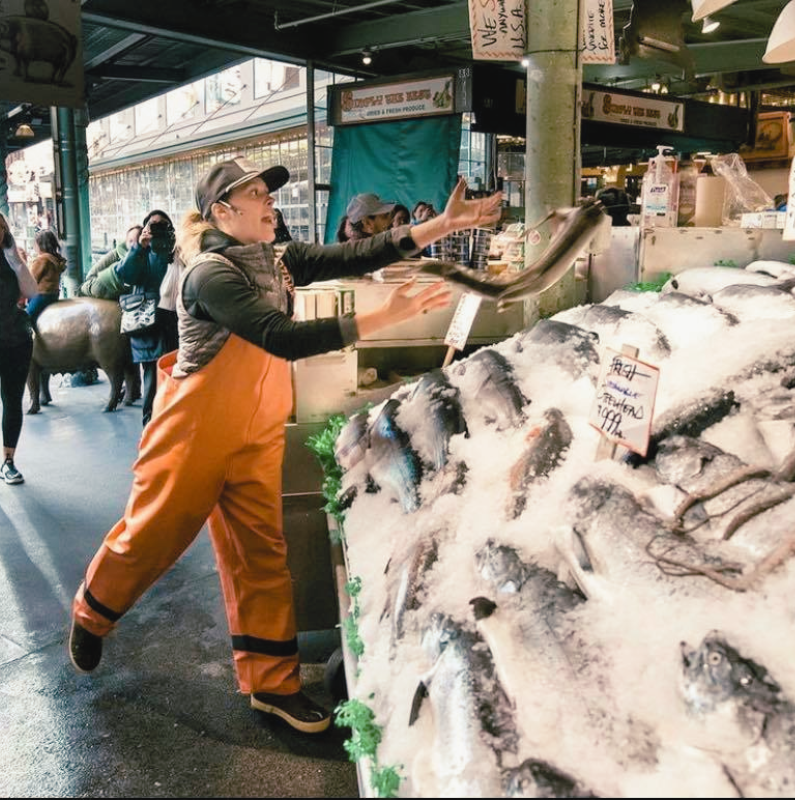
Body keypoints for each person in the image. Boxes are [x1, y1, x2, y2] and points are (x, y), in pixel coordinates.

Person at [68, 157, 502, 735]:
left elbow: (355, 255)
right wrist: (381, 318)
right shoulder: (208, 273)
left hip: (255, 428)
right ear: (223, 211)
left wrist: (437, 228)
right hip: (192, 432)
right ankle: (92, 613)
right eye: (258, 195)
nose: (272, 203)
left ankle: (272, 684)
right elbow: (280, 337)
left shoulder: (277, 257)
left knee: (263, 555)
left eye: (270, 194)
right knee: (151, 537)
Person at [114, 210, 176, 426]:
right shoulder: (141, 252)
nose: (158, 229)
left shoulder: (176, 250)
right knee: (151, 380)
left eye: (163, 225)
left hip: (174, 324)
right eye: (153, 225)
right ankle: (150, 428)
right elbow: (125, 274)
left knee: (175, 377)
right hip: (148, 324)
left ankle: (171, 428)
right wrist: (140, 246)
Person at [0, 213, 38, 485]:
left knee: (13, 401)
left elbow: (31, 291)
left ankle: (8, 461)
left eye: (1, 227)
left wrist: (16, 260)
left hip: (15, 339)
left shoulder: (12, 258)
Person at [80, 224, 142, 300]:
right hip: (99, 286)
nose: (134, 244)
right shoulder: (117, 253)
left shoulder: (147, 260)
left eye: (138, 241)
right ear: (126, 242)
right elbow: (90, 277)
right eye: (131, 241)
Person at [26, 230, 67, 325]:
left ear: (41, 245)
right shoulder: (55, 259)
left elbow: (31, 280)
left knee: (26, 317)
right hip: (53, 295)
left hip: (41, 295)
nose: (34, 247)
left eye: (35, 244)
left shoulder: (41, 260)